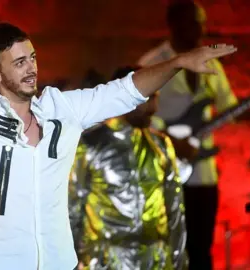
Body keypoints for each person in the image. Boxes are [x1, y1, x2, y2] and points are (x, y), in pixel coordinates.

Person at [0, 22, 236, 270]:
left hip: (59, 262)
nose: (31, 68)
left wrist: (176, 62)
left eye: (33, 58)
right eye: (20, 62)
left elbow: (126, 90)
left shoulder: (62, 108)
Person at [137, 2, 250, 269]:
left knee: (201, 249)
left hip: (204, 174)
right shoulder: (151, 64)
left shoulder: (211, 65)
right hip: (165, 171)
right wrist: (171, 142)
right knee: (167, 248)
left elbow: (229, 109)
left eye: (202, 22)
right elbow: (136, 119)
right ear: (174, 24)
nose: (201, 29)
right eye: (194, 22)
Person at [69, 66, 187, 270]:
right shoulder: (89, 145)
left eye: (156, 98)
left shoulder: (160, 145)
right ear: (125, 96)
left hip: (157, 261)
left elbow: (175, 208)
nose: (154, 107)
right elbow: (72, 210)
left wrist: (178, 258)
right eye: (148, 98)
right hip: (106, 262)